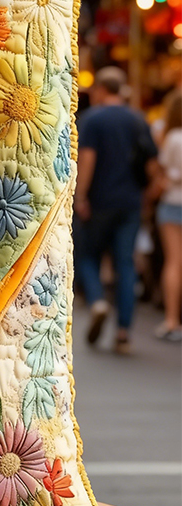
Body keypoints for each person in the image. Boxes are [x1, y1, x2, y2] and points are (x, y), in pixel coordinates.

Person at [74, 66, 158, 354]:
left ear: (100, 89)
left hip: (99, 201)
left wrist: (81, 196)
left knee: (88, 255)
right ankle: (123, 333)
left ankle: (97, 300)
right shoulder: (138, 119)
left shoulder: (92, 119)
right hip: (130, 202)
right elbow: (152, 166)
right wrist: (146, 196)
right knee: (125, 264)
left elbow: (87, 159)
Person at [154, 89, 182, 341]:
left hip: (173, 203)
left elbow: (163, 173)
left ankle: (172, 319)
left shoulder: (173, 137)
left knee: (174, 262)